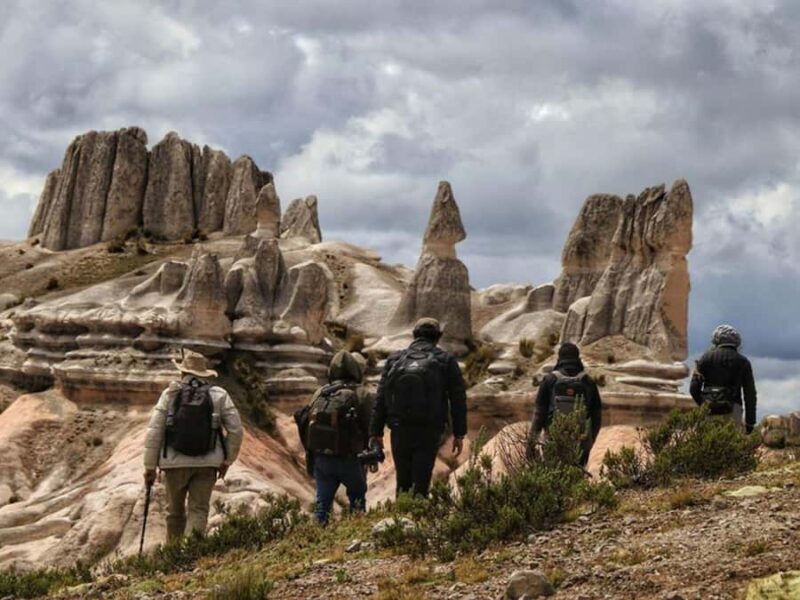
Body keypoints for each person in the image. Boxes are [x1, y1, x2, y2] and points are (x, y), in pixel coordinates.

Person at [143, 349, 243, 542]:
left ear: (182, 372)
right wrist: (227, 460)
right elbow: (236, 431)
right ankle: (190, 554)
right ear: (204, 373)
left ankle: (173, 559)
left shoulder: (170, 394)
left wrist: (149, 467)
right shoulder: (219, 395)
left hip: (173, 464)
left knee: (174, 513)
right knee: (198, 510)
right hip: (207, 464)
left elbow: (154, 431)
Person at [369, 318, 467, 497]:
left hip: (399, 429)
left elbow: (381, 397)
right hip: (428, 430)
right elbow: (458, 399)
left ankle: (399, 521)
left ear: (414, 335)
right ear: (438, 337)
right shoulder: (445, 360)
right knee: (421, 481)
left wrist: (376, 433)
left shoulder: (395, 359)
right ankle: (416, 520)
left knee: (403, 481)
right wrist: (459, 433)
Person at [296, 350, 373, 525]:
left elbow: (306, 420)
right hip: (351, 459)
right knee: (357, 499)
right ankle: (355, 536)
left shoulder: (320, 393)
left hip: (321, 458)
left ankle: (316, 540)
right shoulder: (361, 393)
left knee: (322, 504)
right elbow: (370, 425)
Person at [529, 342, 602, 467]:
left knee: (552, 475)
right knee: (578, 477)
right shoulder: (588, 382)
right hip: (580, 443)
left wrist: (531, 442)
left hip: (553, 440)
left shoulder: (549, 380)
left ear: (559, 358)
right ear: (578, 358)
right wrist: (590, 440)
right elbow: (596, 417)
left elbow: (539, 415)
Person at [690, 324, 757, 433]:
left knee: (708, 447)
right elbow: (750, 394)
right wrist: (750, 422)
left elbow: (693, 389)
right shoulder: (743, 362)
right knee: (732, 447)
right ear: (737, 343)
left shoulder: (705, 358)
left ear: (716, 340)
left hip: (708, 412)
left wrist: (705, 404)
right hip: (733, 411)